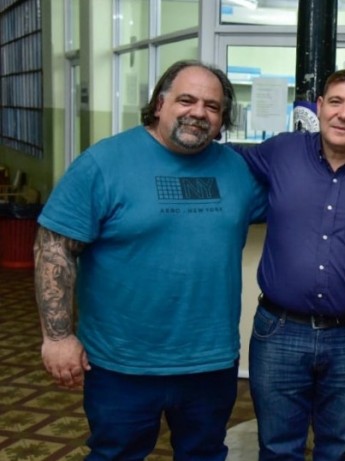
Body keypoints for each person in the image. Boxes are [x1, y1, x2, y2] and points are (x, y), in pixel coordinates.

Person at [34, 60, 267, 460]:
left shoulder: (236, 169)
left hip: (210, 362)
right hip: (122, 364)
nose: (198, 112)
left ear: (223, 117)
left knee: (206, 454)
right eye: (186, 100)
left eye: (212, 106)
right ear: (159, 104)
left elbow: (297, 206)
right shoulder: (103, 163)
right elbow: (54, 248)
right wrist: (57, 336)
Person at [232, 69, 345, 460]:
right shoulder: (282, 151)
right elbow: (224, 163)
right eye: (337, 102)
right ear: (321, 107)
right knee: (277, 447)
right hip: (279, 331)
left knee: (341, 448)